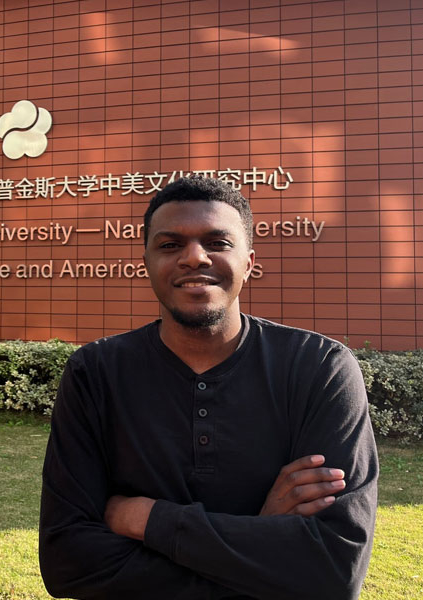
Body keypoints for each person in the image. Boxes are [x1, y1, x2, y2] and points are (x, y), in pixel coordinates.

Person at [38, 176, 378, 599]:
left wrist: (148, 520)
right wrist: (263, 533)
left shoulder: (319, 369)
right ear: (146, 262)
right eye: (169, 245)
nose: (194, 258)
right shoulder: (96, 374)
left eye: (217, 243)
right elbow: (67, 562)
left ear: (250, 262)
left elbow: (333, 570)